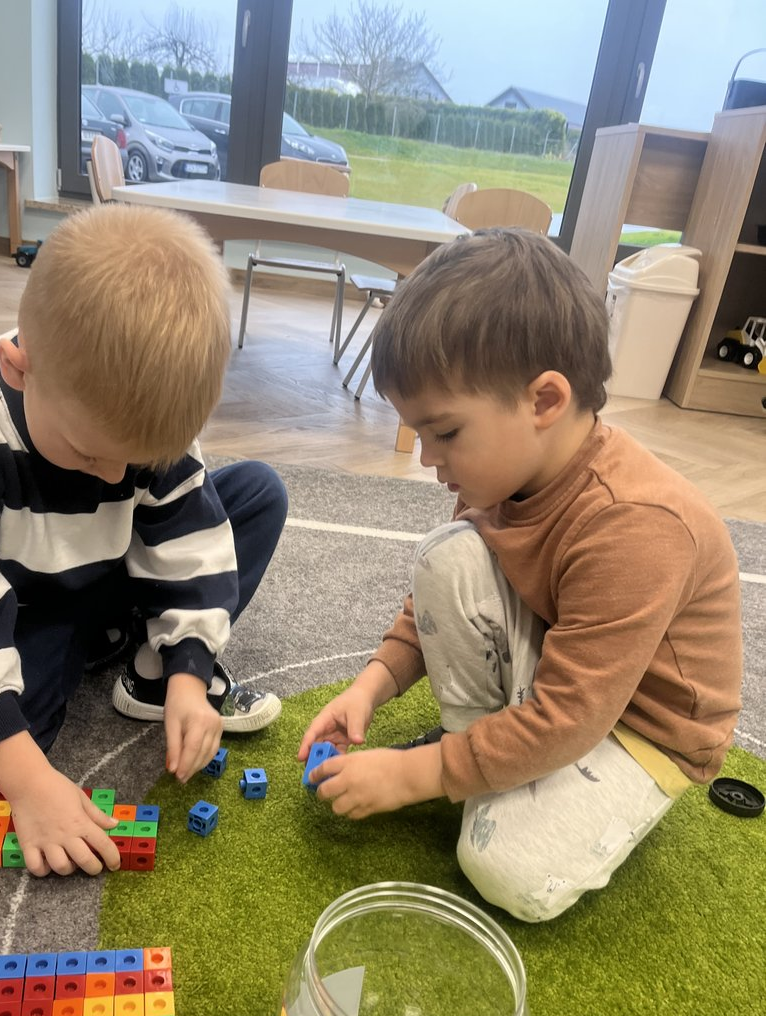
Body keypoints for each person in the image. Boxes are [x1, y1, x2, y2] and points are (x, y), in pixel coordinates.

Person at [300, 229, 742, 923]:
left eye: (445, 433)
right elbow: (433, 601)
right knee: (448, 555)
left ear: (544, 402)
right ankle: (488, 760)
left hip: (641, 730)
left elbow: (575, 716)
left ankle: (490, 767)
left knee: (506, 871)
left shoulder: (636, 524)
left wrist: (418, 773)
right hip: (570, 676)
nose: (427, 459)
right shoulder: (498, 473)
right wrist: (372, 685)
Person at [0, 203, 287, 878]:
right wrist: (29, 784)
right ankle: (98, 643)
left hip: (113, 569)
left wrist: (189, 673)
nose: (112, 477)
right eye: (89, 453)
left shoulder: (132, 421)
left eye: (135, 461)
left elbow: (187, 538)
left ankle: (151, 668)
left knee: (256, 495)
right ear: (19, 369)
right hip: (22, 603)